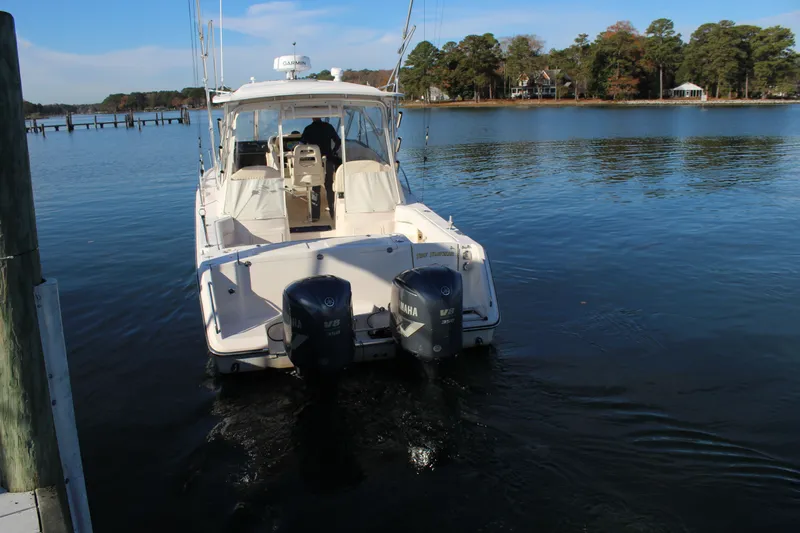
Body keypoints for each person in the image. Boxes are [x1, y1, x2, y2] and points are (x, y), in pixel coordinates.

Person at [300, 118, 341, 220]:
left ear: (312, 117)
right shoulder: (328, 127)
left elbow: (301, 146)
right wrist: (333, 151)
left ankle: (315, 216)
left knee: (315, 187)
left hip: (314, 161)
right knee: (329, 186)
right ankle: (333, 213)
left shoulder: (308, 129)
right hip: (328, 159)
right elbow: (338, 141)